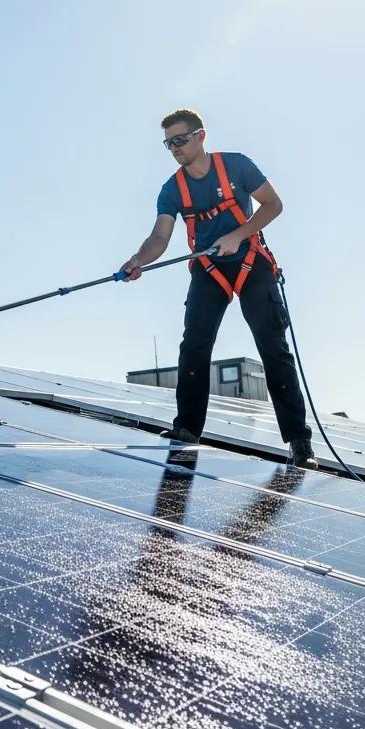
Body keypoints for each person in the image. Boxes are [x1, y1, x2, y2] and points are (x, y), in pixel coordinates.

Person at [121, 109, 317, 468]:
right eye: (168, 144)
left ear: (200, 136)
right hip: (209, 268)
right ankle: (186, 430)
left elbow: (274, 204)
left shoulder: (237, 166)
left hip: (250, 262)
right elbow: (159, 238)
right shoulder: (172, 190)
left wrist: (238, 235)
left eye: (180, 140)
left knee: (272, 346)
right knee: (194, 344)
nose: (175, 148)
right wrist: (137, 260)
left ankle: (299, 442)